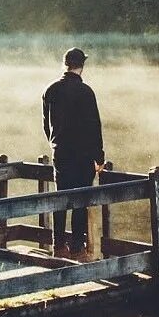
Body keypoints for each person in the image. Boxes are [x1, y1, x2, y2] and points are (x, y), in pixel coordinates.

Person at [41, 46, 104, 257]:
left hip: (61, 154)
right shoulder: (86, 92)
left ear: (65, 64)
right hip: (83, 155)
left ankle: (58, 245)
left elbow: (46, 126)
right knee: (80, 201)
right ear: (82, 66)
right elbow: (94, 127)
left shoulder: (50, 90)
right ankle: (77, 247)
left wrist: (54, 143)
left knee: (61, 198)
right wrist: (99, 158)